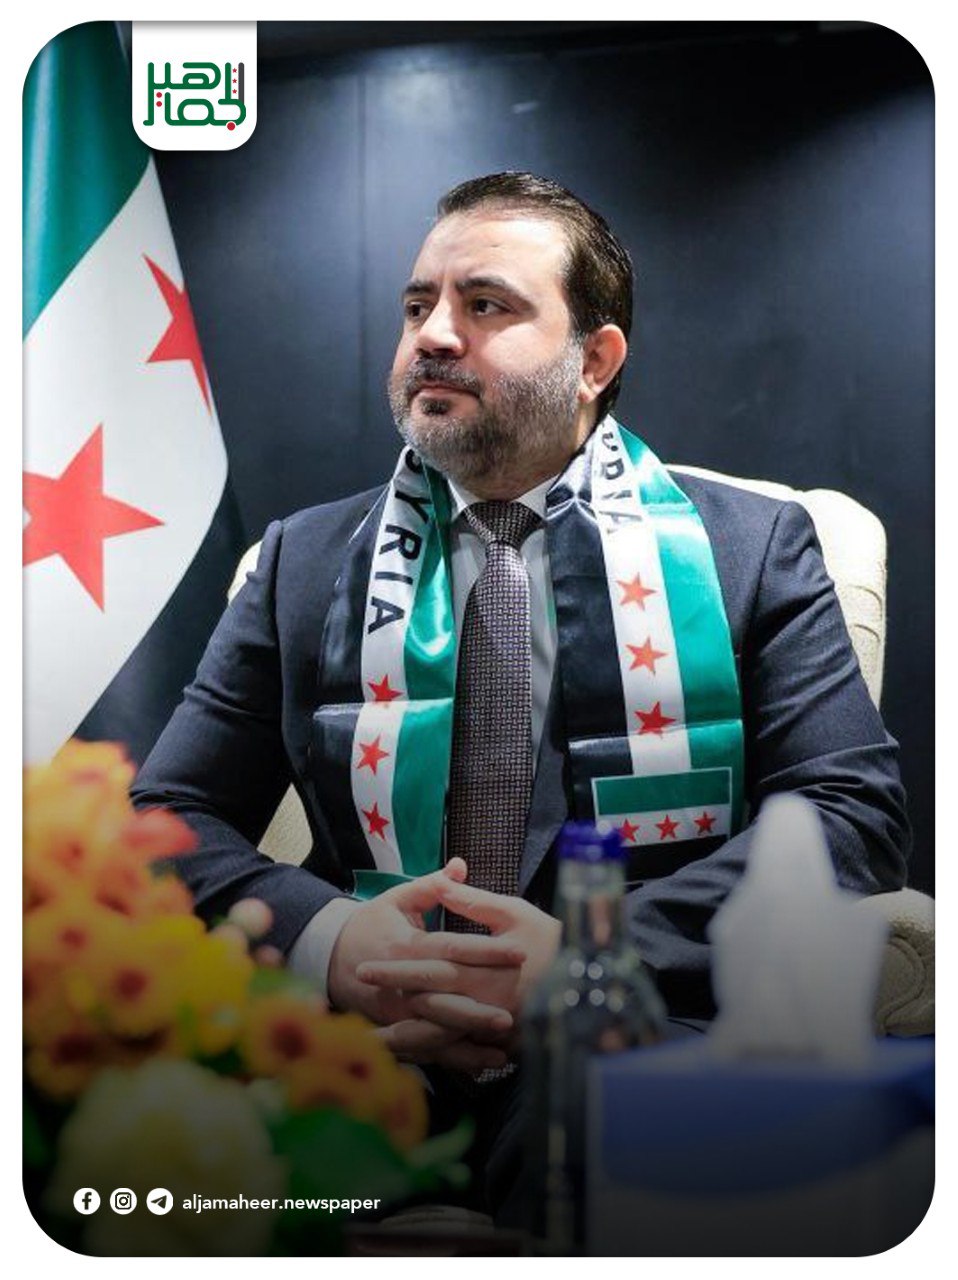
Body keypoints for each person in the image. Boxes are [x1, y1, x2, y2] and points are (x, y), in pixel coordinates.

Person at [132, 172, 909, 1215]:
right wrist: (333, 942)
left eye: (485, 304)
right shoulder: (304, 561)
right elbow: (165, 817)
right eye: (418, 305)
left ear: (594, 360)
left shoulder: (751, 550)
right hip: (354, 1040)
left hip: (629, 1032)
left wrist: (589, 956)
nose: (433, 335)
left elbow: (850, 813)